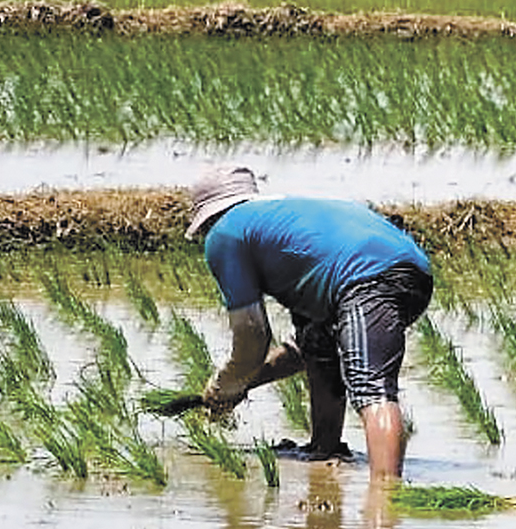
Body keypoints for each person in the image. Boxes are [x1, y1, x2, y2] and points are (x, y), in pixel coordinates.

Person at [185, 164, 433, 480]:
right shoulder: (284, 223)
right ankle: (325, 447)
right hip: (413, 271)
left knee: (371, 388)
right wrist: (240, 388)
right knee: (318, 345)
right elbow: (300, 352)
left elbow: (252, 337)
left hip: (366, 278)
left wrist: (224, 385)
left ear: (208, 218)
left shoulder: (226, 232)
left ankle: (385, 499)